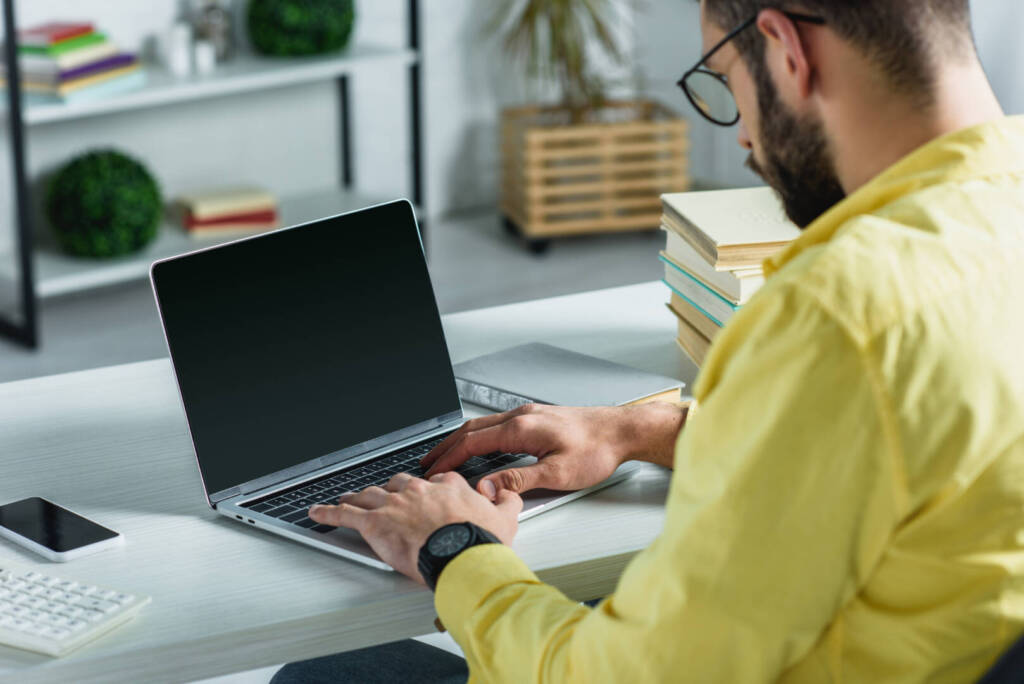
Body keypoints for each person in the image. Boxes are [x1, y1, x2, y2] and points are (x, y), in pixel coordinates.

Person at [273, 0, 1024, 681]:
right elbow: (905, 445)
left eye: (726, 81)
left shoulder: (838, 313)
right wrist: (641, 429)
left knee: (320, 676)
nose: (748, 142)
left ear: (785, 48)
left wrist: (456, 550)